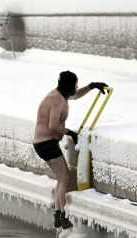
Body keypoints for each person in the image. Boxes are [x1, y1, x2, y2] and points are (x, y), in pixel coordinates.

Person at [33, 71, 108, 229]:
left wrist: (92, 86)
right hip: (46, 144)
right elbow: (52, 126)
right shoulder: (56, 100)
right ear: (68, 85)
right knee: (64, 178)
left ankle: (58, 213)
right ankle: (60, 215)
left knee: (62, 178)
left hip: (46, 143)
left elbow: (76, 95)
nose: (77, 87)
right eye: (75, 84)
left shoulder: (61, 95)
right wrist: (70, 133)